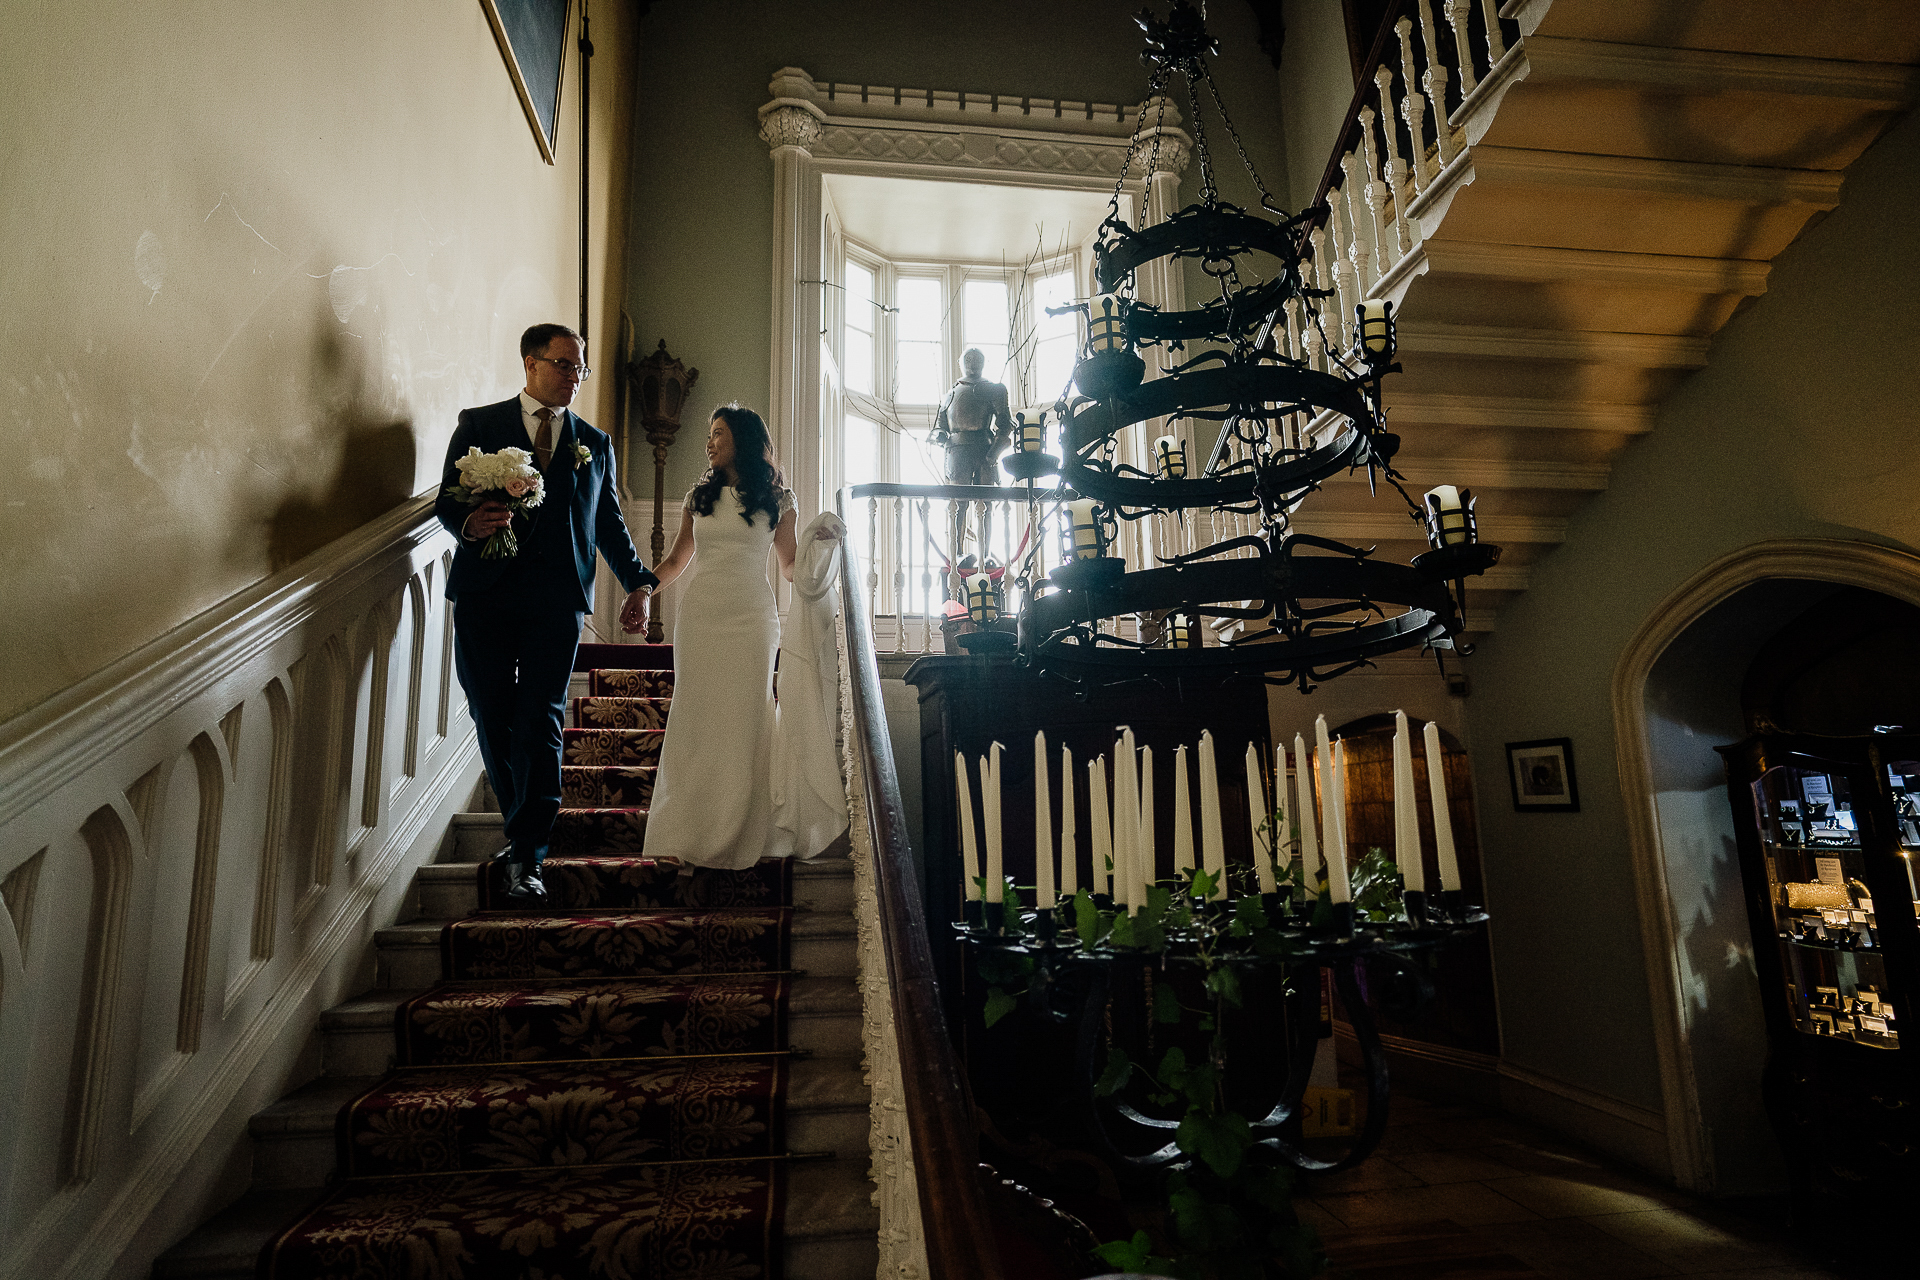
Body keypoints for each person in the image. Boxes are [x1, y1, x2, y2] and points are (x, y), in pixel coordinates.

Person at [435, 323, 657, 903]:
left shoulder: (594, 443)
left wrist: (638, 581)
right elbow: (445, 501)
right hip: (486, 595)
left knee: (541, 719)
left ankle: (528, 854)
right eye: (564, 365)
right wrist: (469, 523)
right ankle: (520, 826)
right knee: (490, 711)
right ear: (531, 363)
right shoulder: (480, 425)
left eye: (580, 369)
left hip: (555, 603)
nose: (574, 377)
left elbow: (607, 523)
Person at [644, 403, 845, 869]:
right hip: (701, 619)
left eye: (718, 433)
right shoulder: (698, 498)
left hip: (752, 620)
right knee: (696, 718)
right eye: (709, 434)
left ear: (744, 439)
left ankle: (740, 833)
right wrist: (642, 590)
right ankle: (686, 834)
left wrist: (822, 543)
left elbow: (791, 567)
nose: (710, 442)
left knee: (746, 717)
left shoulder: (779, 500)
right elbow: (676, 561)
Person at [932, 347, 1015, 485]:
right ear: (961, 362)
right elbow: (942, 426)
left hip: (984, 448)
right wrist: (940, 436)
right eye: (969, 359)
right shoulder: (950, 394)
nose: (972, 362)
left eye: (976, 359)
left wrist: (994, 453)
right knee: (958, 501)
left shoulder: (994, 390)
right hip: (956, 450)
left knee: (986, 500)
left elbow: (1005, 423)